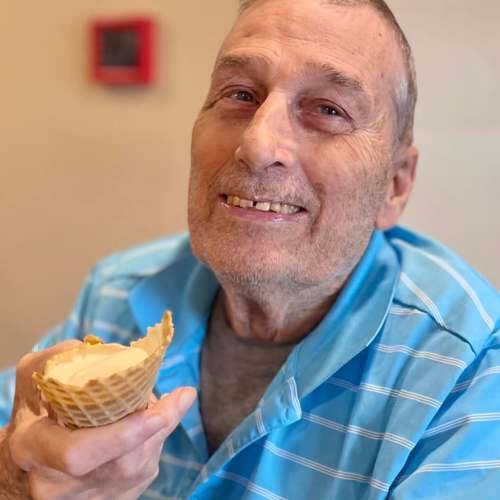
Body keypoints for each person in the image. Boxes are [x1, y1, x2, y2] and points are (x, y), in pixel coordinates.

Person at [1, 0, 499, 498]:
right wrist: (17, 477)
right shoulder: (116, 293)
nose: (258, 144)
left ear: (395, 185)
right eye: (239, 93)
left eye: (328, 110)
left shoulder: (469, 370)